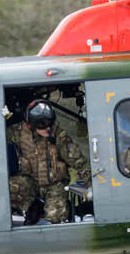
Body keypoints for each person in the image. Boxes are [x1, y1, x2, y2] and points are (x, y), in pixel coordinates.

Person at [9, 95, 90, 223]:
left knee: (54, 216)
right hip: (31, 183)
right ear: (32, 125)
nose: (48, 128)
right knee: (9, 188)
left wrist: (92, 185)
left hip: (55, 184)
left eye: (50, 124)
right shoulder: (18, 132)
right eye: (43, 125)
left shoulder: (58, 135)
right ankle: (31, 207)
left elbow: (78, 161)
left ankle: (60, 206)